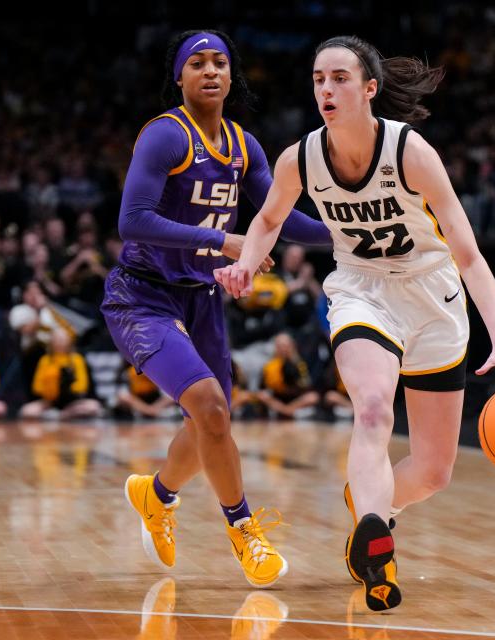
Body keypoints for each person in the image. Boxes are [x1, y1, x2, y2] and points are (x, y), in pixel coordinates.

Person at [216, 35, 495, 610]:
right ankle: (377, 544)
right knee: (371, 407)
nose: (326, 89)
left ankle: (371, 503)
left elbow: (468, 254)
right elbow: (268, 219)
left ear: (370, 89)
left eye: (340, 78)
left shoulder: (411, 152)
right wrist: (245, 264)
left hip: (434, 298)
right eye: (319, 78)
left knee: (434, 471)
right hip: (361, 293)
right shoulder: (303, 157)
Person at [101, 29, 331, 588]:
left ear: (231, 76)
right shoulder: (164, 136)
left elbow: (277, 219)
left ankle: (155, 497)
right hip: (143, 293)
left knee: (213, 420)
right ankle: (244, 529)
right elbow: (132, 219)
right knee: (207, 404)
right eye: (197, 63)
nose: (210, 71)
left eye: (220, 63)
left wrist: (346, 236)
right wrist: (224, 242)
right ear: (179, 77)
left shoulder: (244, 145)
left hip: (201, 296)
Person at [19, 328, 102, 420]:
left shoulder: (77, 359)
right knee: (27, 411)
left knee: (94, 407)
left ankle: (63, 414)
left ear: (69, 341)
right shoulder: (46, 360)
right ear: (51, 342)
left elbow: (82, 386)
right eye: (57, 339)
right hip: (51, 401)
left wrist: (68, 389)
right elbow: (37, 387)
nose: (60, 342)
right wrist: (51, 389)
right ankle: (62, 414)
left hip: (73, 401)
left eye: (63, 339)